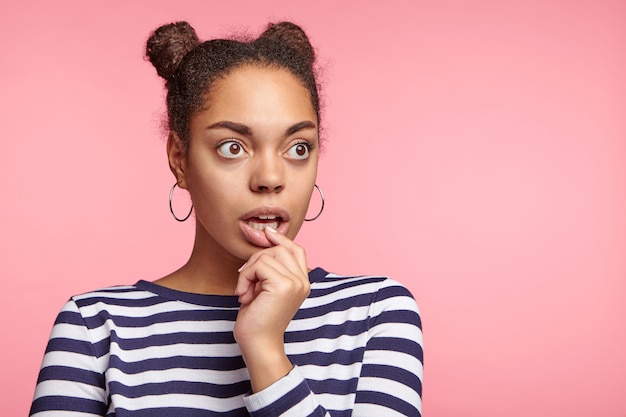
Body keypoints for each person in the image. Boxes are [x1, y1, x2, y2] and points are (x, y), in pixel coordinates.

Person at [30, 21, 423, 417]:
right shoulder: (96, 327)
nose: (271, 178)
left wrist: (265, 350)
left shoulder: (374, 313)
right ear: (179, 160)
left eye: (298, 148)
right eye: (233, 147)